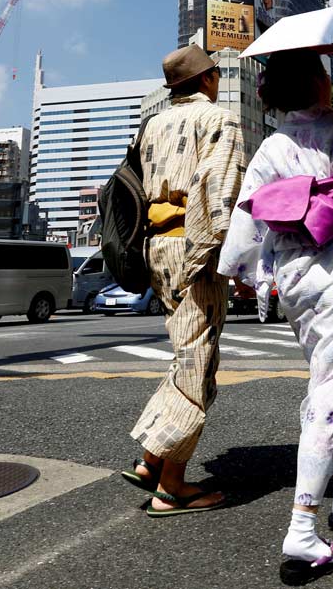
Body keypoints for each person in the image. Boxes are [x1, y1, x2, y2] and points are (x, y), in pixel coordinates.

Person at [219, 48, 333, 584]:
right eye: (321, 74)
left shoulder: (270, 148)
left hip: (295, 277)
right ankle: (302, 527)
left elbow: (248, 222)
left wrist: (240, 274)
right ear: (317, 85)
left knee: (331, 380)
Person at [121, 45, 245, 516]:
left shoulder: (151, 124)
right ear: (209, 79)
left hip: (156, 245)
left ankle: (152, 460)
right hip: (195, 242)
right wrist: (223, 255)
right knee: (198, 363)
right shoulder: (219, 118)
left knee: (185, 350)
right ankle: (172, 487)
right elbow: (219, 188)